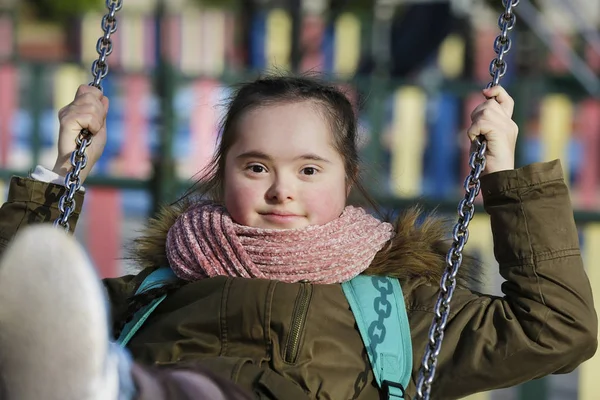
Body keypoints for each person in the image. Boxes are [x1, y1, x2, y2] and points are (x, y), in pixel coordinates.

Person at [0, 75, 597, 400]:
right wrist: (59, 172)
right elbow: (9, 314)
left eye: (309, 170)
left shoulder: (396, 309)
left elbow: (556, 330)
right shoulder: (154, 294)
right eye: (255, 167)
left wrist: (503, 176)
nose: (281, 190)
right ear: (221, 176)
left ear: (348, 180)